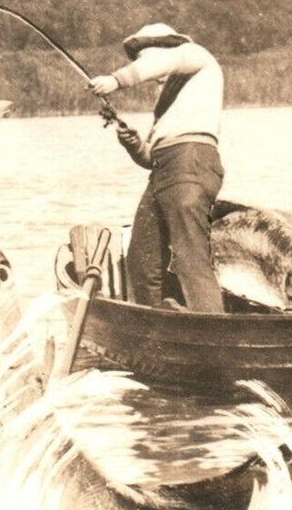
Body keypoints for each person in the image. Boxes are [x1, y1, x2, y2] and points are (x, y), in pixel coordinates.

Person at [88, 23, 226, 313]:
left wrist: (116, 80)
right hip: (165, 170)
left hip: (190, 162)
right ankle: (156, 325)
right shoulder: (169, 99)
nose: (146, 69)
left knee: (190, 257)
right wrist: (133, 143)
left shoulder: (194, 56)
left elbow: (165, 61)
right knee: (142, 256)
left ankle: (212, 327)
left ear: (167, 47)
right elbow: (150, 158)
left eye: (146, 59)